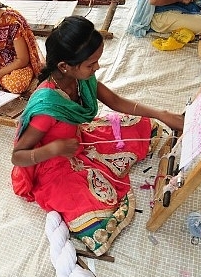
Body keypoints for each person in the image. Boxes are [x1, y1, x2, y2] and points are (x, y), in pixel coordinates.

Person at [11, 16, 184, 256]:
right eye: (91, 64)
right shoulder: (46, 108)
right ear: (64, 66)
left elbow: (114, 101)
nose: (97, 68)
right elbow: (18, 156)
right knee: (97, 219)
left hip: (78, 140)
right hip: (52, 162)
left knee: (145, 125)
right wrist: (54, 149)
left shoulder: (80, 79)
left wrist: (163, 114)